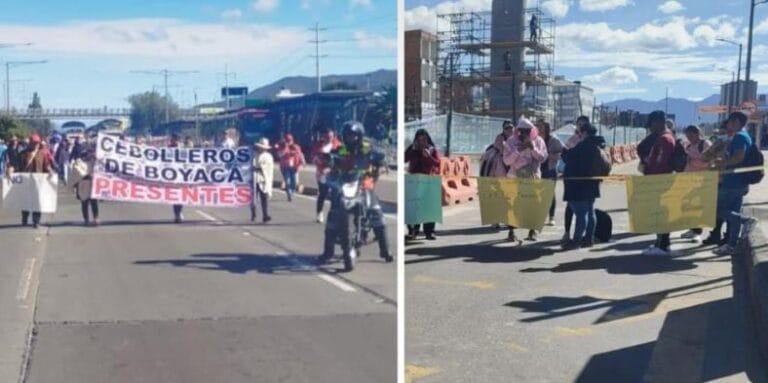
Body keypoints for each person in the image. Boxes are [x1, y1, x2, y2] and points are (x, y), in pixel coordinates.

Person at [319, 121, 392, 263]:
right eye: (348, 136)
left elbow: (376, 154)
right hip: (346, 183)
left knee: (376, 213)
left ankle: (385, 250)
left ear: (359, 136)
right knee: (333, 214)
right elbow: (334, 156)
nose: (350, 138)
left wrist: (380, 161)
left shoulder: (366, 147)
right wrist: (329, 160)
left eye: (353, 136)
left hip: (365, 183)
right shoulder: (343, 149)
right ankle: (328, 252)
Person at [711, 112, 759, 255]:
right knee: (733, 214)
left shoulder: (739, 137)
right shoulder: (745, 136)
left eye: (731, 121)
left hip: (733, 181)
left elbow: (739, 157)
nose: (728, 124)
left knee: (716, 210)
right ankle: (731, 245)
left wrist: (723, 163)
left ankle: (747, 220)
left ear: (737, 122)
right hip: (740, 181)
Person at [503, 117, 548, 242]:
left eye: (528, 131)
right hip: (514, 178)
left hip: (533, 178)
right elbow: (506, 161)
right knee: (512, 206)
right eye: (522, 130)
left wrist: (533, 148)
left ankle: (532, 231)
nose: (525, 133)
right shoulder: (511, 141)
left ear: (532, 130)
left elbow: (543, 157)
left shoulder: (538, 141)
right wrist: (519, 150)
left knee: (533, 205)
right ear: (518, 130)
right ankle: (511, 232)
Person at [638, 111, 676, 256]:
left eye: (652, 125)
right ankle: (660, 242)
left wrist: (647, 165)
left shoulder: (664, 139)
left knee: (661, 213)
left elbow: (659, 163)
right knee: (659, 213)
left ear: (659, 122)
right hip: (660, 180)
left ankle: (663, 245)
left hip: (660, 181)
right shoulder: (665, 137)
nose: (650, 129)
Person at [561, 123, 605, 250]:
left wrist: (565, 150)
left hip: (579, 185)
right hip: (592, 183)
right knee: (590, 212)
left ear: (584, 132)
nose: (577, 134)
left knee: (581, 213)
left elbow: (568, 157)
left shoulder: (585, 145)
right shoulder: (598, 144)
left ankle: (576, 241)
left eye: (579, 131)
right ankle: (589, 239)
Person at [9, 134, 55, 228]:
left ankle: (36, 222)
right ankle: (25, 218)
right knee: (25, 201)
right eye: (33, 143)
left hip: (39, 181)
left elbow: (46, 165)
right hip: (26, 181)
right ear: (30, 142)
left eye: (37, 143)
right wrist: (11, 169)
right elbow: (16, 164)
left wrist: (50, 170)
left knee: (38, 201)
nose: (35, 144)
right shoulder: (23, 153)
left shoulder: (42, 153)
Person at [405, 129, 441, 240]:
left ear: (427, 139)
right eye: (419, 139)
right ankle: (413, 231)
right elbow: (404, 159)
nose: (422, 142)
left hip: (428, 180)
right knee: (413, 207)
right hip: (414, 180)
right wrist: (412, 151)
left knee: (428, 207)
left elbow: (438, 163)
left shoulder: (431, 149)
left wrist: (428, 156)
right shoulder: (412, 148)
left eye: (424, 139)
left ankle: (429, 232)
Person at [678, 125, 712, 243]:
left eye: (691, 135)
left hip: (702, 181)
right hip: (690, 180)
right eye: (688, 135)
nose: (689, 137)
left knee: (698, 207)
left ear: (698, 134)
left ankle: (698, 232)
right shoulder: (688, 146)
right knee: (689, 206)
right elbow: (687, 163)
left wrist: (693, 160)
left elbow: (709, 161)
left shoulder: (705, 144)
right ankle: (692, 229)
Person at [560, 115, 589, 244]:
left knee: (585, 206)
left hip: (585, 177)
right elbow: (564, 156)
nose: (581, 126)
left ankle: (583, 235)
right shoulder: (572, 139)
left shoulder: (590, 139)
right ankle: (567, 232)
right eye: (579, 124)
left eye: (583, 124)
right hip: (571, 176)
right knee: (570, 204)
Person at [312, 128, 342, 223]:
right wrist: (319, 163)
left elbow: (345, 158)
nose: (329, 138)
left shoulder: (339, 145)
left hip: (335, 174)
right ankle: (319, 213)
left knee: (335, 195)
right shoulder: (318, 145)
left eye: (331, 137)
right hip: (322, 173)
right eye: (327, 137)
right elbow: (314, 157)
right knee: (323, 194)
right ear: (324, 137)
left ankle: (332, 215)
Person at [539, 120, 563, 226]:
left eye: (542, 126)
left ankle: (551, 217)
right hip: (538, 170)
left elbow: (562, 153)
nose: (539, 128)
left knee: (550, 194)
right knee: (538, 194)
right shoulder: (536, 139)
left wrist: (549, 155)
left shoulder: (554, 139)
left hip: (550, 169)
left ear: (547, 128)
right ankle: (538, 216)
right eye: (538, 126)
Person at [71, 143, 99, 226]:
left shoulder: (93, 162)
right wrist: (87, 175)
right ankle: (86, 219)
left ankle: (96, 218)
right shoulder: (78, 162)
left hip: (92, 184)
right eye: (88, 154)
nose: (89, 155)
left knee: (94, 202)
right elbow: (78, 173)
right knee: (84, 203)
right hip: (83, 184)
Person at [251, 138, 274, 223]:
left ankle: (265, 215)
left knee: (264, 198)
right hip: (254, 178)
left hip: (263, 179)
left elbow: (268, 168)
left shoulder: (268, 156)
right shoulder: (254, 155)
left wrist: (260, 168)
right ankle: (253, 213)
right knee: (253, 198)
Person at [277, 133, 305, 202]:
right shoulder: (282, 147)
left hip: (295, 167)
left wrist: (303, 162)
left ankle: (291, 192)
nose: (289, 142)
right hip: (285, 167)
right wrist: (286, 148)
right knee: (287, 181)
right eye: (287, 140)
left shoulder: (297, 147)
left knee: (294, 182)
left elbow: (300, 154)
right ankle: (289, 195)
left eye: (290, 140)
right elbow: (280, 155)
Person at [169, 134, 185, 223]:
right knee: (175, 196)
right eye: (173, 140)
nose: (174, 141)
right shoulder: (168, 149)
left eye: (176, 140)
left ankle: (179, 213)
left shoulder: (182, 149)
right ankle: (176, 214)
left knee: (180, 195)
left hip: (181, 175)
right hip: (172, 175)